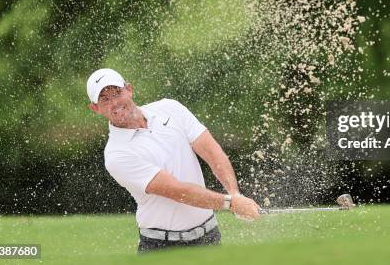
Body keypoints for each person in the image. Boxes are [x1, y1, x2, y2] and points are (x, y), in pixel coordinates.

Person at [86, 68, 261, 253]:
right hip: (162, 247)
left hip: (209, 238)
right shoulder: (116, 154)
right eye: (104, 99)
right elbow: (177, 191)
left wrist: (235, 194)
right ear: (95, 108)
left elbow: (211, 151)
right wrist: (230, 204)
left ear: (129, 89)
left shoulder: (169, 108)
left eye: (117, 93)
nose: (114, 102)